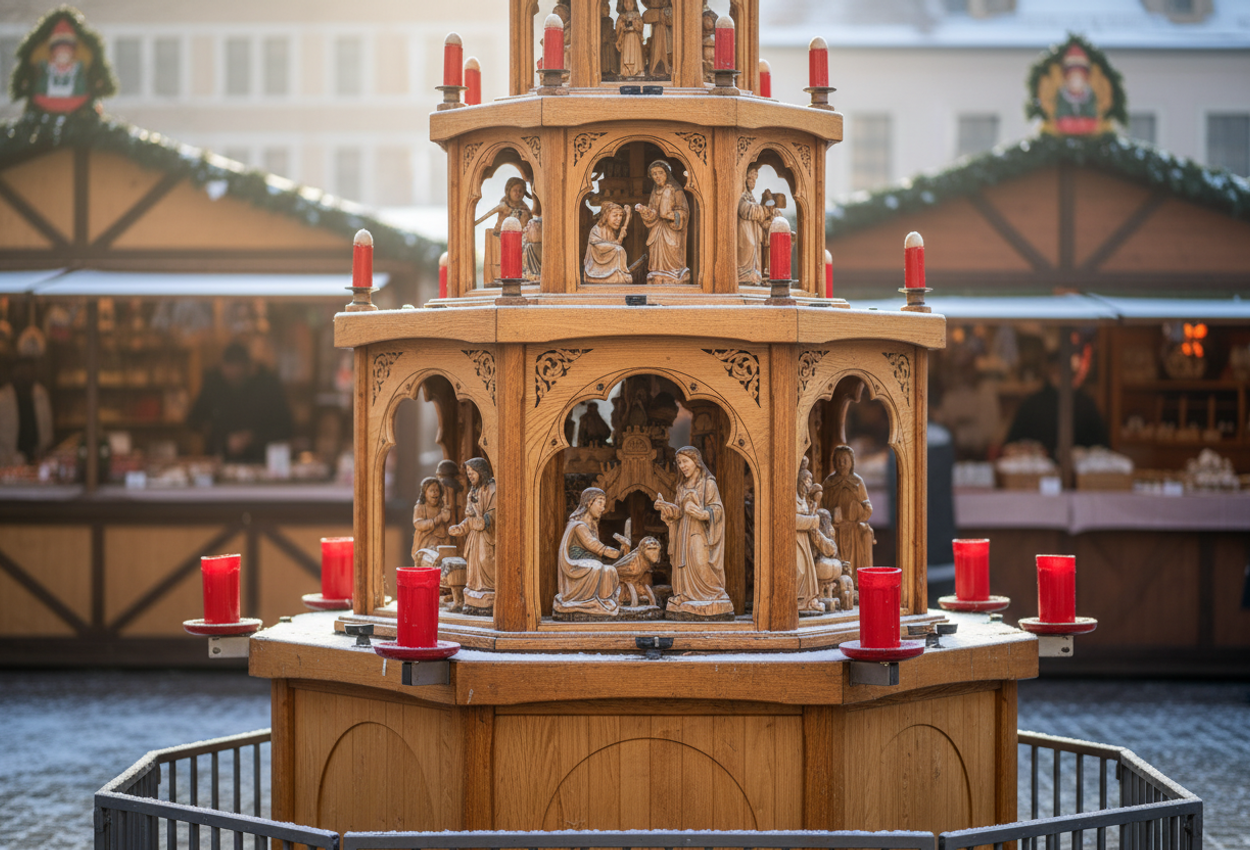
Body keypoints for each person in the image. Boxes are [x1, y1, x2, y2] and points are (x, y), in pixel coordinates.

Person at [654, 445, 732, 617]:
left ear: (695, 461)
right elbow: (679, 512)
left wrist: (703, 513)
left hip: (700, 531)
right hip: (683, 532)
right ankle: (686, 595)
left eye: (685, 461)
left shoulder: (708, 483)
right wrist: (666, 508)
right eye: (679, 462)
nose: (682, 466)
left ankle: (711, 594)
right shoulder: (682, 486)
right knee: (683, 563)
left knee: (699, 561)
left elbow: (717, 509)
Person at [187, 342, 292, 464]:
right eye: (229, 371)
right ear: (222, 367)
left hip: (258, 461)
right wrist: (222, 438)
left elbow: (286, 427)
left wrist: (252, 438)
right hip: (220, 461)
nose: (234, 377)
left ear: (249, 368)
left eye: (238, 374)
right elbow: (194, 421)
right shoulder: (213, 384)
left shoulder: (267, 385)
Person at [1005, 351, 1107, 458]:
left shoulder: (1085, 405)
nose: (1059, 375)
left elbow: (1101, 446)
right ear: (1049, 372)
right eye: (1055, 370)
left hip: (1081, 465)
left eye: (1063, 371)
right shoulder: (1032, 405)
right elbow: (1012, 445)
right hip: (1037, 465)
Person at [554, 487, 624, 617]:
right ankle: (583, 600)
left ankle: (603, 600)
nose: (603, 508)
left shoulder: (592, 525)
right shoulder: (578, 525)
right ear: (589, 503)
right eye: (600, 503)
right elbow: (593, 545)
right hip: (574, 568)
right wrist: (614, 552)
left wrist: (619, 552)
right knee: (596, 567)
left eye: (604, 504)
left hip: (587, 565)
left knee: (610, 570)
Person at [821, 444, 874, 582]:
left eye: (845, 460)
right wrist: (832, 515)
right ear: (834, 462)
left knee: (853, 563)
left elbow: (867, 505)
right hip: (835, 530)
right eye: (838, 460)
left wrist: (862, 512)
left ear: (851, 462)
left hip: (853, 530)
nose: (842, 464)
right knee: (837, 562)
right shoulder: (829, 483)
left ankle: (855, 583)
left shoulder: (857, 482)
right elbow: (821, 509)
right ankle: (836, 583)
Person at [448, 457, 496, 612]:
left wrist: (479, 521)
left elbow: (492, 516)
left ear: (481, 471)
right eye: (468, 472)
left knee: (485, 559)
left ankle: (488, 591)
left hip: (488, 536)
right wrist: (461, 528)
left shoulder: (492, 489)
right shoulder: (473, 492)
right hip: (475, 536)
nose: (469, 475)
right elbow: (470, 518)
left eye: (472, 472)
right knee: (473, 565)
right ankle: (474, 592)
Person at [0, 331, 54, 467]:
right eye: (22, 367)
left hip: (36, 464)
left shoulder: (41, 396)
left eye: (30, 367)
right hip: (7, 467)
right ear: (14, 371)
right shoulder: (3, 399)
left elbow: (47, 436)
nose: (26, 372)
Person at [634, 160, 690, 285]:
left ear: (667, 174)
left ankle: (673, 273)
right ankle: (657, 274)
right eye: (654, 174)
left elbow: (684, 211)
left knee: (673, 252)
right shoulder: (655, 191)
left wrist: (672, 215)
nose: (657, 176)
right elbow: (653, 211)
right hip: (657, 230)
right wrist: (645, 211)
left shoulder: (676, 190)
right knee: (656, 257)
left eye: (660, 173)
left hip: (671, 230)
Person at [737, 167, 779, 284]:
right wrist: (765, 210)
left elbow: (760, 217)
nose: (753, 182)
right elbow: (744, 209)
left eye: (755, 180)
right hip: (744, 234)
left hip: (753, 235)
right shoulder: (741, 194)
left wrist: (769, 216)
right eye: (751, 179)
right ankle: (745, 276)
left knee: (754, 253)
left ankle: (752, 275)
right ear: (744, 179)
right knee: (746, 254)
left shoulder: (750, 195)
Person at [794, 463, 826, 615]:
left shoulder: (802, 499)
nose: (808, 486)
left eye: (810, 482)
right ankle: (799, 601)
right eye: (806, 482)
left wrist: (812, 513)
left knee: (808, 569)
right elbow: (793, 520)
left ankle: (808, 600)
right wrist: (813, 521)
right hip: (794, 539)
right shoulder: (792, 498)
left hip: (803, 539)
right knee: (799, 569)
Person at [584, 202, 633, 284]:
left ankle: (618, 272)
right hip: (596, 269)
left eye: (620, 215)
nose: (619, 219)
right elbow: (599, 247)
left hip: (609, 269)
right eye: (615, 215)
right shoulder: (596, 229)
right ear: (606, 216)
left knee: (624, 278)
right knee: (619, 250)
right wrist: (615, 247)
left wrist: (627, 217)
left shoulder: (611, 231)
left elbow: (617, 243)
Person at [411, 477, 453, 562]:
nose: (434, 493)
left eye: (437, 490)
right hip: (426, 540)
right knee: (427, 561)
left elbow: (446, 523)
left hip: (441, 540)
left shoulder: (441, 508)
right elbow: (418, 524)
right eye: (431, 490)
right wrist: (436, 520)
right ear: (424, 493)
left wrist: (446, 516)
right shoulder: (420, 507)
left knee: (442, 560)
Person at [615, 0, 645, 79]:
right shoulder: (622, 16)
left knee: (635, 54)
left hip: (634, 37)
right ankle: (626, 71)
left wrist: (635, 23)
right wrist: (622, 24)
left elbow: (640, 26)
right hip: (626, 37)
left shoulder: (637, 15)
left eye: (630, 3)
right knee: (626, 53)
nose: (628, 5)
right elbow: (618, 27)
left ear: (634, 4)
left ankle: (637, 70)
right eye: (626, 3)